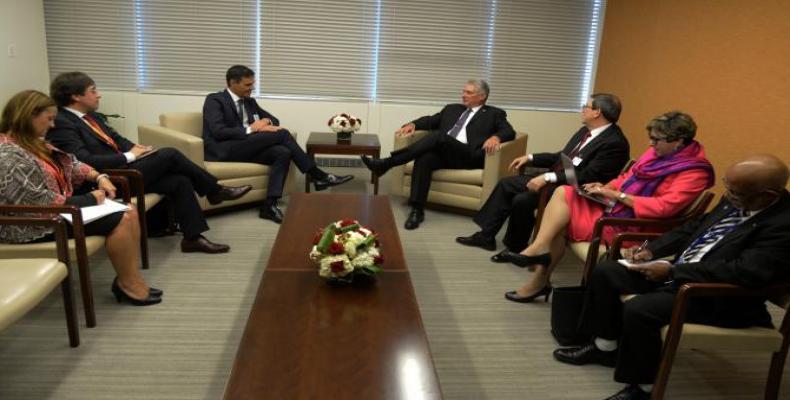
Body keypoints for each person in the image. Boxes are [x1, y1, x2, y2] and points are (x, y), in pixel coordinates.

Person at [553, 154, 790, 400]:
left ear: (768, 196)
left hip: (721, 296)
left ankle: (643, 388)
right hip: (683, 274)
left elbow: (745, 272)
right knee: (607, 271)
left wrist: (673, 271)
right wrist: (651, 250)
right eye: (727, 188)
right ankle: (605, 347)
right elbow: (692, 228)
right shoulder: (739, 198)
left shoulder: (783, 225)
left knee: (641, 309)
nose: (729, 196)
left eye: (736, 193)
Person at [504, 111, 714, 303]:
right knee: (564, 192)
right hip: (619, 209)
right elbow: (627, 177)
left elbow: (664, 208)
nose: (651, 144)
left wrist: (617, 195)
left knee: (560, 221)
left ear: (678, 141)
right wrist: (605, 187)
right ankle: (538, 253)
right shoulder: (658, 154)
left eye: (656, 140)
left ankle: (538, 275)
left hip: (638, 227)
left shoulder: (694, 172)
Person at [47, 72, 249, 254]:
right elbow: (84, 161)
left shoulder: (90, 117)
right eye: (93, 91)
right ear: (76, 96)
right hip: (103, 181)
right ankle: (215, 190)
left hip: (122, 171)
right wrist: (131, 156)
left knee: (178, 180)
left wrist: (139, 149)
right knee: (169, 154)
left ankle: (193, 238)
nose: (98, 94)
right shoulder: (62, 123)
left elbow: (118, 140)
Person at [0, 90, 161, 306]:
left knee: (129, 210)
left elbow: (72, 163)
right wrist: (90, 199)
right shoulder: (8, 155)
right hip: (31, 225)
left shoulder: (31, 142)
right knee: (122, 218)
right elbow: (38, 203)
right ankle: (129, 284)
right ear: (29, 115)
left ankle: (127, 279)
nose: (52, 126)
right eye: (48, 119)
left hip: (58, 213)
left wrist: (99, 176)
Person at [456, 93, 630, 255]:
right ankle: (486, 236)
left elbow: (587, 176)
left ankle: (514, 248)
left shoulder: (615, 143)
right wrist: (530, 157)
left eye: (587, 106)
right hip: (558, 181)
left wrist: (547, 177)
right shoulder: (585, 131)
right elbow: (562, 156)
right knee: (506, 183)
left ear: (597, 112)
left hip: (577, 191)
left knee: (522, 200)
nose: (582, 109)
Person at [202, 65, 353, 223]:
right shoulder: (215, 99)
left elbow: (274, 120)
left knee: (282, 152)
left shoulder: (249, 102)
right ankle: (318, 175)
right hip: (224, 149)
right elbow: (218, 131)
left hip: (245, 146)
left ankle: (270, 205)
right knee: (282, 134)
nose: (252, 88)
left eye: (252, 84)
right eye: (247, 85)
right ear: (233, 83)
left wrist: (265, 122)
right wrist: (250, 129)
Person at [361, 79, 516, 229]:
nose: (463, 95)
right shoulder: (452, 109)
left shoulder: (494, 114)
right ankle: (417, 210)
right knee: (425, 158)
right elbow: (430, 121)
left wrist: (496, 137)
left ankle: (388, 163)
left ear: (482, 96)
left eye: (468, 92)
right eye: (463, 91)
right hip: (446, 154)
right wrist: (412, 124)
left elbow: (509, 131)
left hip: (468, 156)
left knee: (438, 136)